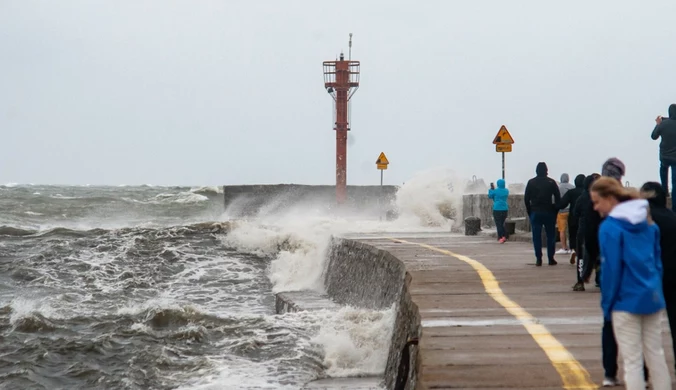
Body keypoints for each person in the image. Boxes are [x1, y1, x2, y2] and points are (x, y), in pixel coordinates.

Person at [592, 177, 671, 390]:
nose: (595, 207)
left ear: (610, 199)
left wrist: (607, 304)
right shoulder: (648, 223)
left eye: (597, 201)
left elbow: (612, 270)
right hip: (652, 297)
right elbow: (657, 263)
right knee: (656, 355)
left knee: (633, 361)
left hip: (624, 301)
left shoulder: (609, 228)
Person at [641, 182, 676, 374]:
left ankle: (644, 372)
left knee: (646, 330)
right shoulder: (672, 218)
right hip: (673, 278)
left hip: (648, 281)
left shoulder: (643, 221)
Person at [524, 162, 561, 266]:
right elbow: (558, 198)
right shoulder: (551, 182)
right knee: (551, 236)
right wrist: (555, 210)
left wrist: (530, 211)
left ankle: (538, 258)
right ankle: (551, 258)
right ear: (546, 170)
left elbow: (526, 199)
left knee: (536, 236)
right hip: (549, 211)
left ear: (536, 171)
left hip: (535, 211)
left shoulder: (531, 182)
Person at [651, 104, 676, 207]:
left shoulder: (663, 124)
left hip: (664, 157)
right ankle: (674, 207)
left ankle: (664, 192)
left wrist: (658, 124)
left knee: (663, 172)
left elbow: (653, 136)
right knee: (675, 183)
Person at [557, 174, 585, 264]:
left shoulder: (571, 192)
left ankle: (573, 249)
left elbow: (562, 204)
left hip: (573, 216)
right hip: (584, 218)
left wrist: (555, 207)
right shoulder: (587, 192)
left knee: (572, 234)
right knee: (583, 235)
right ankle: (582, 253)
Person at [556, 173, 576, 254]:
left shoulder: (558, 187)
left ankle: (564, 248)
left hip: (561, 211)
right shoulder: (572, 187)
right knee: (572, 230)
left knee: (562, 230)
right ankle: (573, 248)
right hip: (571, 211)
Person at [488, 179, 509, 243]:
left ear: (498, 184)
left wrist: (491, 189)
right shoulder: (506, 191)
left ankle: (501, 237)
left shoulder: (495, 191)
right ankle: (503, 236)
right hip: (505, 209)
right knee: (502, 223)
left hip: (497, 209)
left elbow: (490, 196)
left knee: (498, 224)